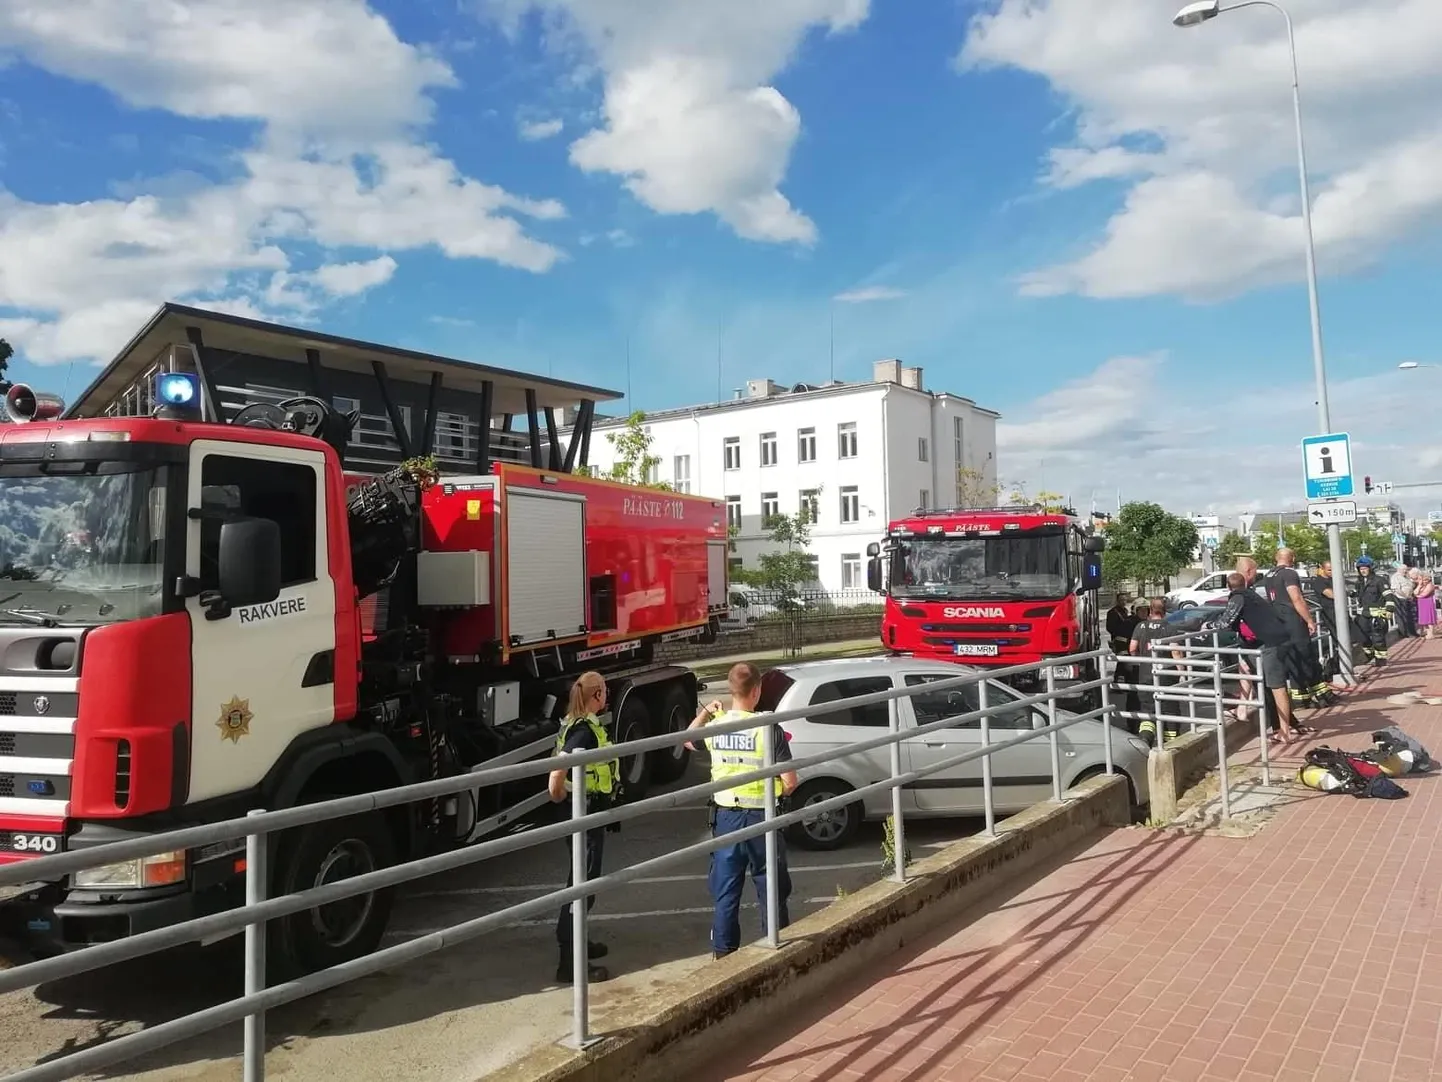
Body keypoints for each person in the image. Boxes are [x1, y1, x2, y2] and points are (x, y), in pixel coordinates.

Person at [687, 662, 800, 959]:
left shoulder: (718, 725)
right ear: (757, 691)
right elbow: (790, 782)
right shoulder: (767, 728)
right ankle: (776, 949)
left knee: (726, 892)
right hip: (762, 818)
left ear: (730, 691)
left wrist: (705, 712)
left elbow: (687, 739)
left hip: (726, 820)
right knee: (771, 888)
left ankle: (724, 956)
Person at [547, 671, 619, 984]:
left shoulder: (575, 721)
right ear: (598, 696)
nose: (607, 696)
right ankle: (569, 961)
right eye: (604, 691)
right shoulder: (584, 730)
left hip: (583, 814)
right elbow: (559, 769)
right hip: (582, 816)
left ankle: (580, 942)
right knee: (581, 887)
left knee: (584, 883)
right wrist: (559, 793)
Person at [1205, 571, 1310, 743]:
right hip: (1272, 641)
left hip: (1271, 644)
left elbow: (1225, 622)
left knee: (1277, 686)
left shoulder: (1238, 597)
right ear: (1244, 583)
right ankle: (1244, 709)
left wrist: (1207, 625)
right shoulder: (1251, 595)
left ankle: (1284, 732)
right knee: (1246, 668)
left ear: (1228, 586)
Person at [1267, 548, 1334, 708]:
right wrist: (1309, 620)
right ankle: (1322, 694)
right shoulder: (1289, 574)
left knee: (1292, 658)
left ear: (1276, 558)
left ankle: (1301, 698)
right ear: (1293, 558)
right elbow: (1296, 598)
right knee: (1306, 656)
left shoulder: (1269, 574)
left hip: (1278, 621)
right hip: (1292, 620)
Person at [1129, 598, 1180, 746]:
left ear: (1150, 611)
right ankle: (1172, 745)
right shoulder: (1170, 628)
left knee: (1147, 710)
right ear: (1165, 612)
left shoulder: (1141, 626)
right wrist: (1182, 671)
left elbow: (1132, 648)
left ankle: (1145, 742)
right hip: (1167, 677)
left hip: (1146, 675)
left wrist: (1141, 661)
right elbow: (1176, 651)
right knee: (1170, 710)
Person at [1352, 555, 1390, 664]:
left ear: (1371, 568)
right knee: (1362, 637)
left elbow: (1388, 595)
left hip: (1377, 614)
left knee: (1378, 637)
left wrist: (1389, 610)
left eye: (1365, 568)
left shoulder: (1380, 581)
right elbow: (1358, 593)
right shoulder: (1359, 582)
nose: (1363, 571)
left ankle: (1381, 660)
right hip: (1363, 614)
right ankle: (1370, 656)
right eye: (1361, 569)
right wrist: (1352, 593)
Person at [1390, 562, 1417, 639]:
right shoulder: (1395, 577)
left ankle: (1412, 632)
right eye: (1404, 569)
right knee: (1402, 616)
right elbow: (1396, 589)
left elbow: (1411, 586)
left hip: (1408, 598)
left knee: (1410, 616)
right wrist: (1405, 596)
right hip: (1400, 598)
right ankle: (1405, 633)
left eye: (1406, 569)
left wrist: (1410, 595)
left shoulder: (1406, 577)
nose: (1405, 571)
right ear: (1399, 569)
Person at [1417, 570, 1437, 640]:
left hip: (1427, 602)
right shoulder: (1421, 585)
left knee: (1429, 618)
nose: (1421, 581)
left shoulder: (1430, 585)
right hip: (1421, 603)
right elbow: (1415, 592)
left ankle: (1430, 633)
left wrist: (1417, 595)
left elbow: (1424, 594)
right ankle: (1426, 632)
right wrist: (1419, 585)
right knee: (1424, 618)